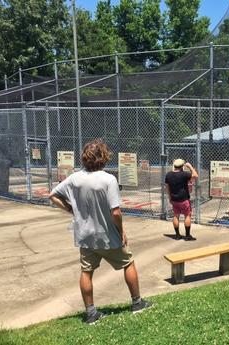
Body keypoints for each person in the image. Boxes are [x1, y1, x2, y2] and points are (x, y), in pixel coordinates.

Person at [49, 139, 152, 324]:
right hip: (107, 235)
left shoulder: (74, 178)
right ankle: (137, 303)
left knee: (86, 271)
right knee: (128, 263)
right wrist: (121, 231)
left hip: (85, 236)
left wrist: (69, 209)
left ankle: (91, 313)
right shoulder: (108, 179)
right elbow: (116, 212)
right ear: (103, 157)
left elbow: (53, 195)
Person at [165, 159, 199, 240]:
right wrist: (190, 166)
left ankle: (177, 235)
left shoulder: (168, 175)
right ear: (182, 166)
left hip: (174, 199)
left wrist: (170, 197)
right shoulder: (184, 174)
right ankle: (187, 236)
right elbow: (195, 176)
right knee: (187, 215)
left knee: (176, 216)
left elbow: (167, 188)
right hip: (184, 199)